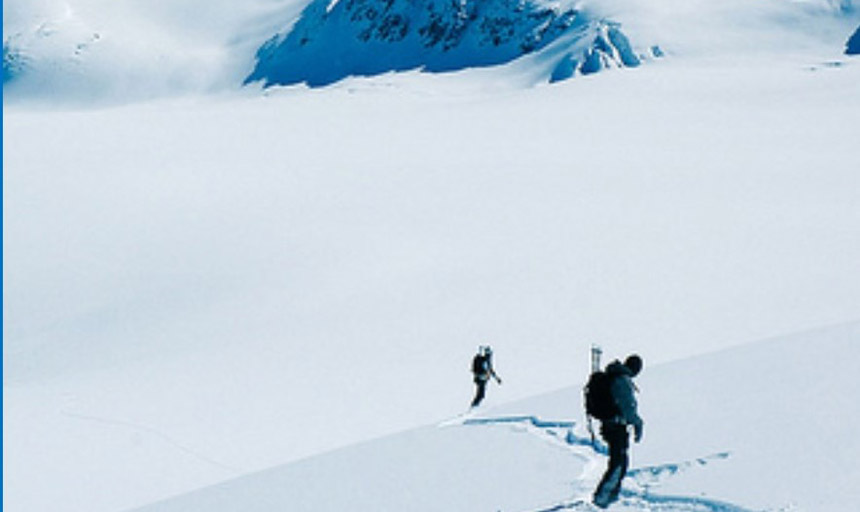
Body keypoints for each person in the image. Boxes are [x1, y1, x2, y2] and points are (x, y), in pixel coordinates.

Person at [593, 354, 644, 509]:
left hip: (610, 425)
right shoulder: (622, 380)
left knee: (619, 461)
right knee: (618, 463)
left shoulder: (615, 376)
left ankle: (609, 495)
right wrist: (638, 423)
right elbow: (628, 407)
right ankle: (602, 498)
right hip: (616, 426)